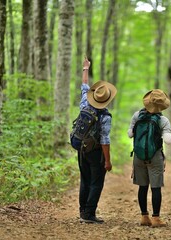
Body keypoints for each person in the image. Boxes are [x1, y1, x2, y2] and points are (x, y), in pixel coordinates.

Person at [77, 57, 117, 224]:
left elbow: (84, 86)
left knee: (84, 180)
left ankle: (82, 211)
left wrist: (86, 68)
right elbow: (105, 140)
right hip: (96, 152)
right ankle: (90, 214)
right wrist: (107, 160)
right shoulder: (105, 116)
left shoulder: (85, 104)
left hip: (81, 148)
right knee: (96, 182)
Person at [128, 89, 171, 227]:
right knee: (156, 188)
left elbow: (130, 134)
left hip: (138, 156)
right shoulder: (163, 120)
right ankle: (156, 218)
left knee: (142, 187)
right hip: (155, 157)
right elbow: (168, 140)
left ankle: (144, 217)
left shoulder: (137, 115)